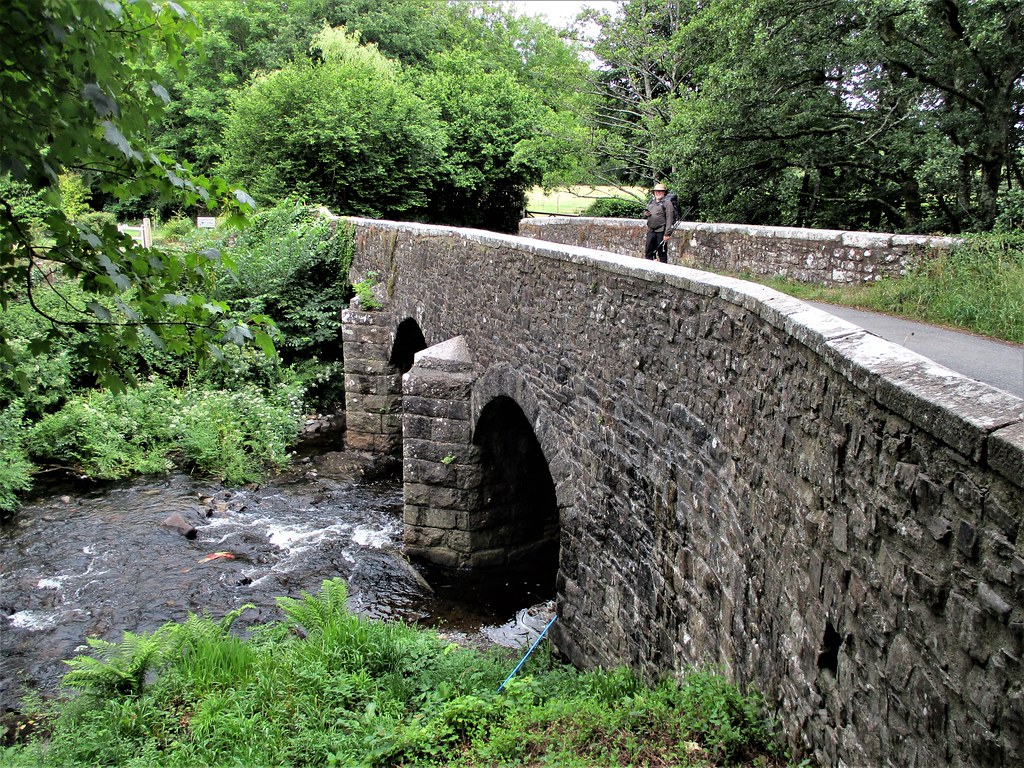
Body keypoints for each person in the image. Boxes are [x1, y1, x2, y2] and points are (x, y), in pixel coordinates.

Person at [643, 182, 674, 263]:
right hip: (651, 231)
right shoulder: (651, 201)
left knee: (662, 253)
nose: (658, 193)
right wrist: (646, 214)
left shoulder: (667, 203)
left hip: (661, 231)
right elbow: (646, 213)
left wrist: (667, 234)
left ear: (664, 193)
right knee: (648, 252)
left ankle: (663, 271)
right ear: (654, 192)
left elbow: (669, 218)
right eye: (656, 191)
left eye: (660, 191)